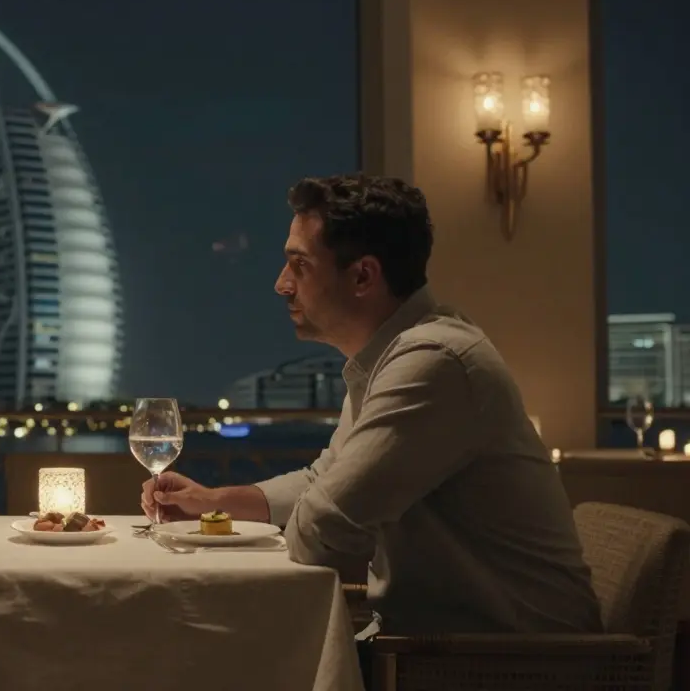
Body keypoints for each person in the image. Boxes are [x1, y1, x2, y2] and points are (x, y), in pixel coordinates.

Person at [141, 175, 602, 641]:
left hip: (508, 662)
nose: (281, 285)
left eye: (298, 265)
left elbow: (323, 531)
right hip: (434, 643)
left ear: (363, 275)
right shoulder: (393, 357)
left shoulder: (434, 363)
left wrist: (286, 517)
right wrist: (213, 504)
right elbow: (325, 481)